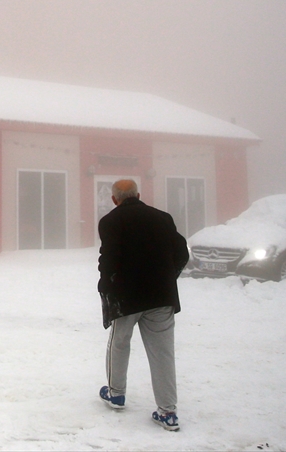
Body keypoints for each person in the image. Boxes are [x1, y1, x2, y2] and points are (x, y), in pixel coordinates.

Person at [97, 178, 190, 432]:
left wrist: (106, 286)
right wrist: (168, 279)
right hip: (161, 297)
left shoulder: (110, 222)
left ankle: (116, 394)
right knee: (163, 353)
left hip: (126, 298)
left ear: (115, 199)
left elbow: (109, 259)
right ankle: (168, 412)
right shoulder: (163, 218)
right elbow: (182, 252)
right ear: (138, 194)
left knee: (119, 342)